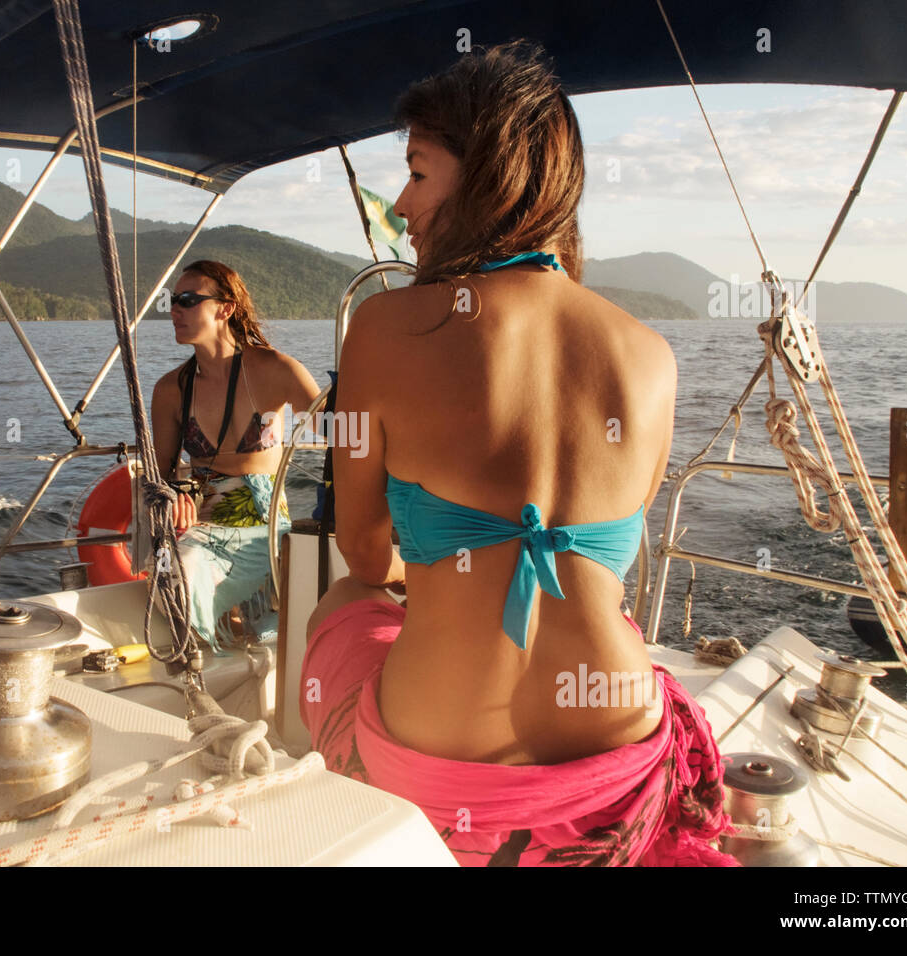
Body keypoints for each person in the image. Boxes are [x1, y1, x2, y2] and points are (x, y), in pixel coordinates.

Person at [300, 43, 736, 866]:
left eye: (419, 174)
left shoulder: (388, 328)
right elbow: (611, 557)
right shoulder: (650, 355)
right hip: (615, 767)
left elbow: (362, 553)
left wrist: (438, 565)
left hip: (439, 773)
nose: (401, 204)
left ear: (486, 179)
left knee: (340, 610)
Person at [151, 260, 321, 650]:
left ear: (224, 308)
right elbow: (161, 474)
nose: (174, 309)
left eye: (188, 300)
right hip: (207, 531)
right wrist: (173, 491)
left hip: (267, 530)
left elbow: (340, 430)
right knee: (174, 577)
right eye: (173, 301)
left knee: (268, 623)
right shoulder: (170, 390)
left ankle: (250, 633)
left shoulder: (274, 369)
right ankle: (207, 657)